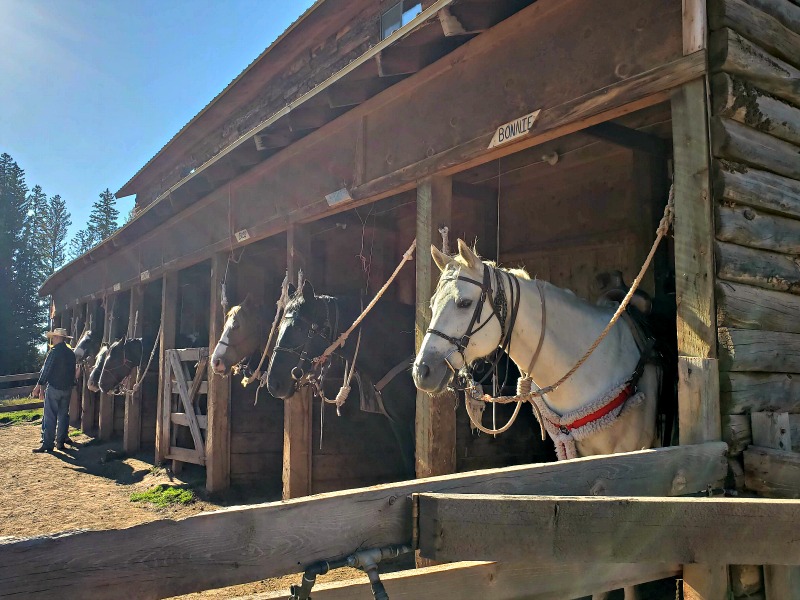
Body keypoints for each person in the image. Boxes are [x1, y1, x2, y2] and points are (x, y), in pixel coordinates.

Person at [32, 327, 76, 453]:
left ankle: (47, 444)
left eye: (54, 337)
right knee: (63, 416)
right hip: (67, 389)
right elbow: (72, 372)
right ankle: (60, 442)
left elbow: (46, 370)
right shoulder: (71, 353)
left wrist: (39, 386)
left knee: (50, 416)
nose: (53, 339)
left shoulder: (54, 352)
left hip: (54, 388)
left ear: (57, 337)